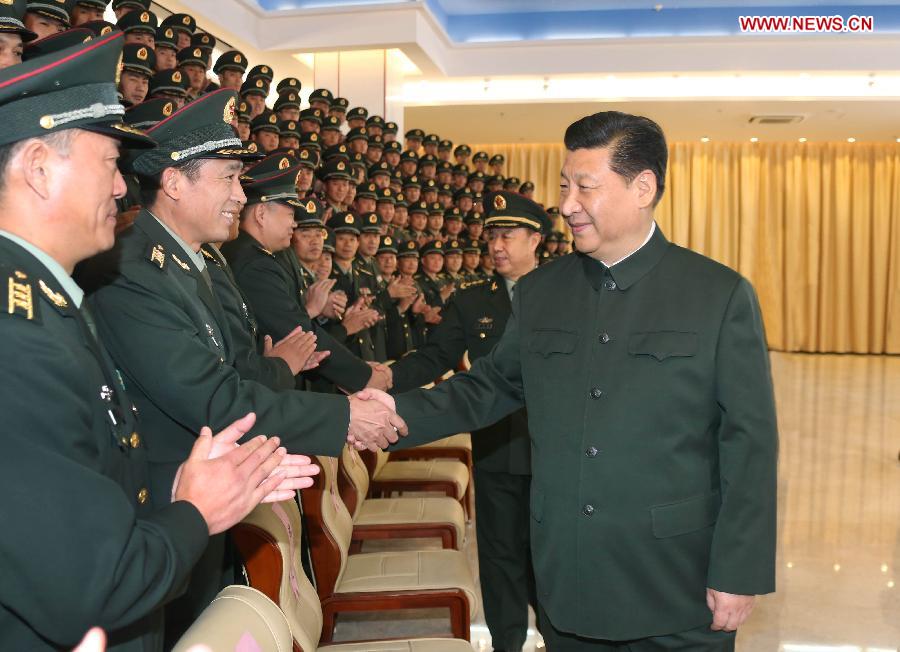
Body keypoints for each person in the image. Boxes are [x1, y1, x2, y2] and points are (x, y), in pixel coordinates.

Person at [355, 111, 778, 650]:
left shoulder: (717, 295)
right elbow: (489, 388)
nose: (567, 204)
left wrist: (738, 570)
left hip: (676, 583)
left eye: (585, 186)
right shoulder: (540, 293)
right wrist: (384, 413)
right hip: (568, 580)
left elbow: (750, 441)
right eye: (563, 185)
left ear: (642, 187)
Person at [0, 34, 316, 651]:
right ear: (39, 167)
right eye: (109, 165)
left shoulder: (51, 298)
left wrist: (177, 486)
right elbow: (97, 582)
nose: (122, 190)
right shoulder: (17, 331)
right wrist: (195, 512)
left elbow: (87, 473)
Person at [79, 89, 407, 641]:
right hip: (162, 509)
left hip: (206, 495)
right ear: (176, 183)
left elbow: (235, 372)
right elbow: (216, 397)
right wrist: (343, 416)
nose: (241, 193)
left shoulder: (189, 263)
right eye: (229, 177)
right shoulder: (135, 266)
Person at [389, 192, 548, 652]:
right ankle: (507, 643)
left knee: (551, 553)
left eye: (508, 236)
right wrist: (379, 379)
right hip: (497, 445)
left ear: (535, 239)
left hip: (555, 450)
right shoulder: (472, 299)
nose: (497, 246)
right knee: (500, 555)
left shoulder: (565, 292)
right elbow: (435, 357)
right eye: (492, 236)